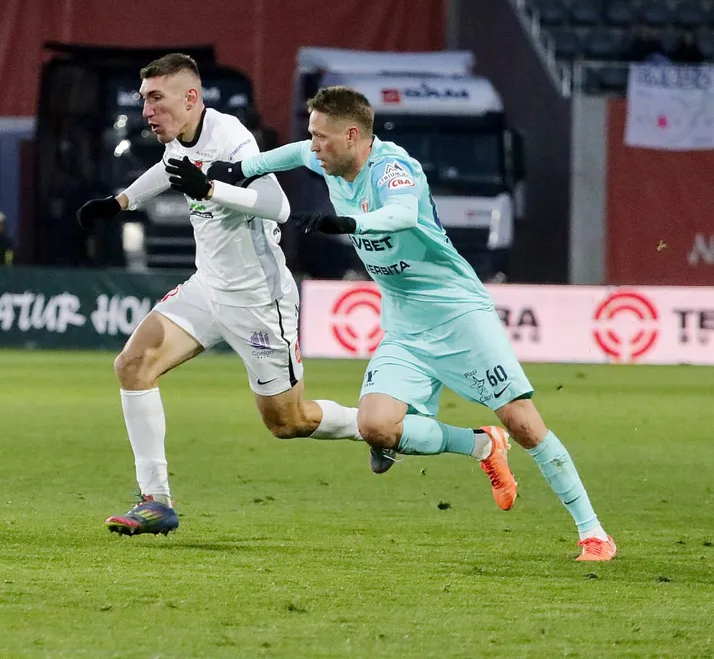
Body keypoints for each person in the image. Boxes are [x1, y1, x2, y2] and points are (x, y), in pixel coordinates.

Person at [208, 86, 616, 561]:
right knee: (376, 426)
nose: (313, 146)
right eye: (313, 135)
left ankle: (593, 532)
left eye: (322, 137)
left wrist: (348, 225)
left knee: (523, 423)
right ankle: (483, 445)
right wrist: (242, 169)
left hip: (457, 313)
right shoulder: (326, 158)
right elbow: (296, 153)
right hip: (404, 325)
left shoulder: (393, 168)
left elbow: (401, 216)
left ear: (353, 135)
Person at [76, 54, 366, 537]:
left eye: (156, 98)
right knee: (133, 365)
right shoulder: (178, 137)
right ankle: (156, 501)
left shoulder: (230, 136)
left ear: (191, 98)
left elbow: (277, 204)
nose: (146, 110)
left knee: (287, 421)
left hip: (258, 300)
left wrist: (210, 189)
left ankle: (374, 427)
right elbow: (169, 168)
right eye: (144, 99)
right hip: (208, 287)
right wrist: (121, 202)